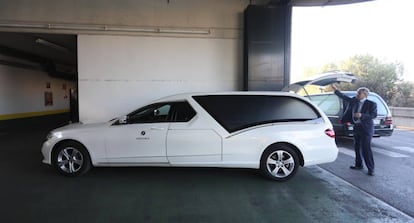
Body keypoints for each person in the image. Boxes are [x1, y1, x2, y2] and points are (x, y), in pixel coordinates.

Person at [331, 84, 378, 176]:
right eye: (357, 93)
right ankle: (358, 165)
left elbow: (373, 115)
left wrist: (362, 115)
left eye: (359, 93)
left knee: (366, 148)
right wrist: (336, 90)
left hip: (366, 129)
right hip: (357, 127)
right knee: (357, 147)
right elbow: (344, 97)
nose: (357, 94)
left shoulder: (371, 104)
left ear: (365, 94)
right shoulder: (354, 100)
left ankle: (371, 168)